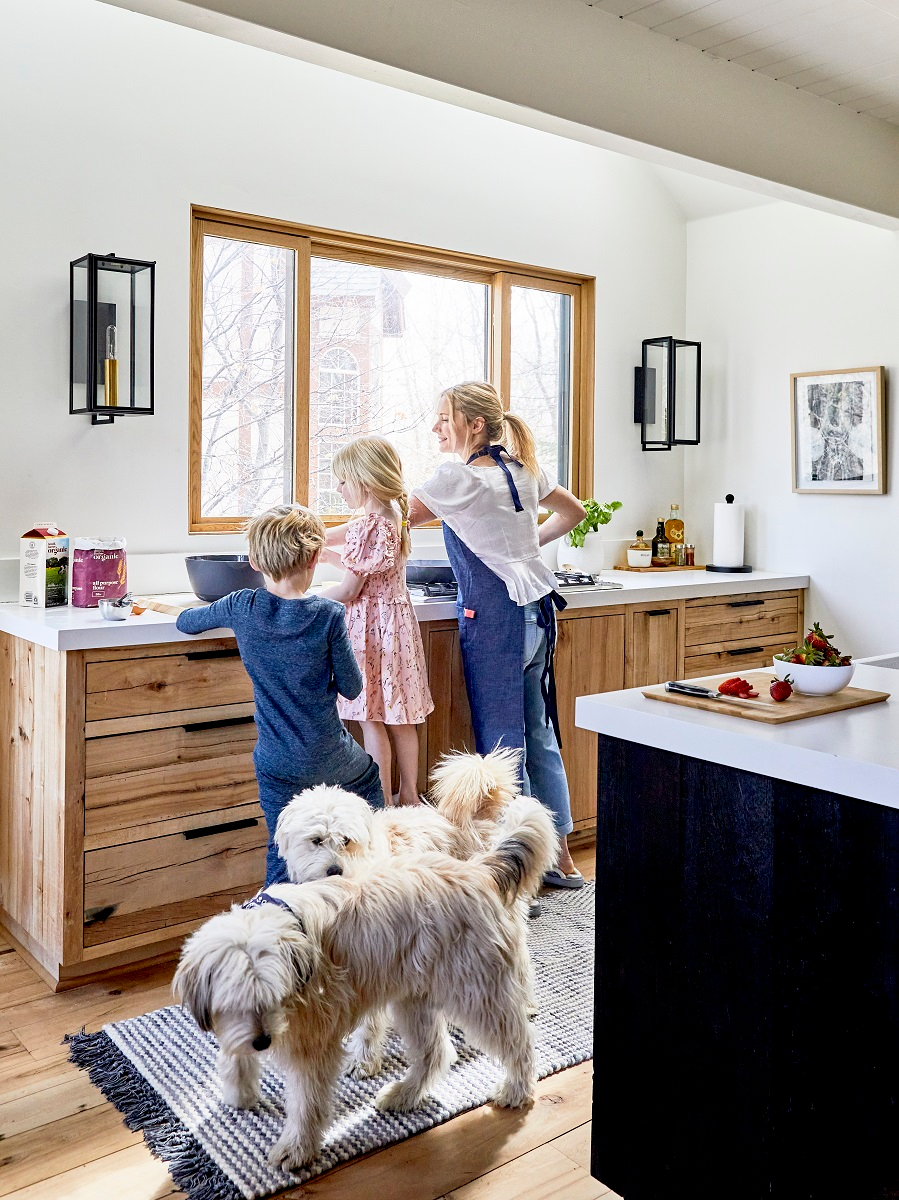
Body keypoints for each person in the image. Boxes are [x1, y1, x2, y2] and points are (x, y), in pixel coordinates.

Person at [409, 381, 586, 888]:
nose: (437, 427)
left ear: (474, 424)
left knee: (505, 752)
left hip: (495, 619)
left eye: (445, 417)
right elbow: (573, 512)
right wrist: (529, 545)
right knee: (540, 737)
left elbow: (400, 516)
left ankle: (522, 873)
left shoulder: (460, 477)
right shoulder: (522, 468)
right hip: (537, 617)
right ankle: (563, 859)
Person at [175, 504, 384, 885]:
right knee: (370, 793)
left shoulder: (242, 604)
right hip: (331, 758)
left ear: (254, 561)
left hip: (276, 763)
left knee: (283, 847)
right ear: (316, 558)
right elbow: (353, 688)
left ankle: (277, 920)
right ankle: (372, 900)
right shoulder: (327, 614)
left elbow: (186, 622)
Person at [320, 435, 434, 807]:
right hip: (396, 626)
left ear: (363, 479)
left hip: (370, 629)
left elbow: (351, 590)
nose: (338, 488)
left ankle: (381, 800)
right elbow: (363, 564)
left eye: (342, 480)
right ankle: (410, 795)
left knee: (371, 716)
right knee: (400, 717)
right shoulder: (393, 516)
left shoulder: (369, 523)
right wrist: (325, 554)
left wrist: (307, 599)